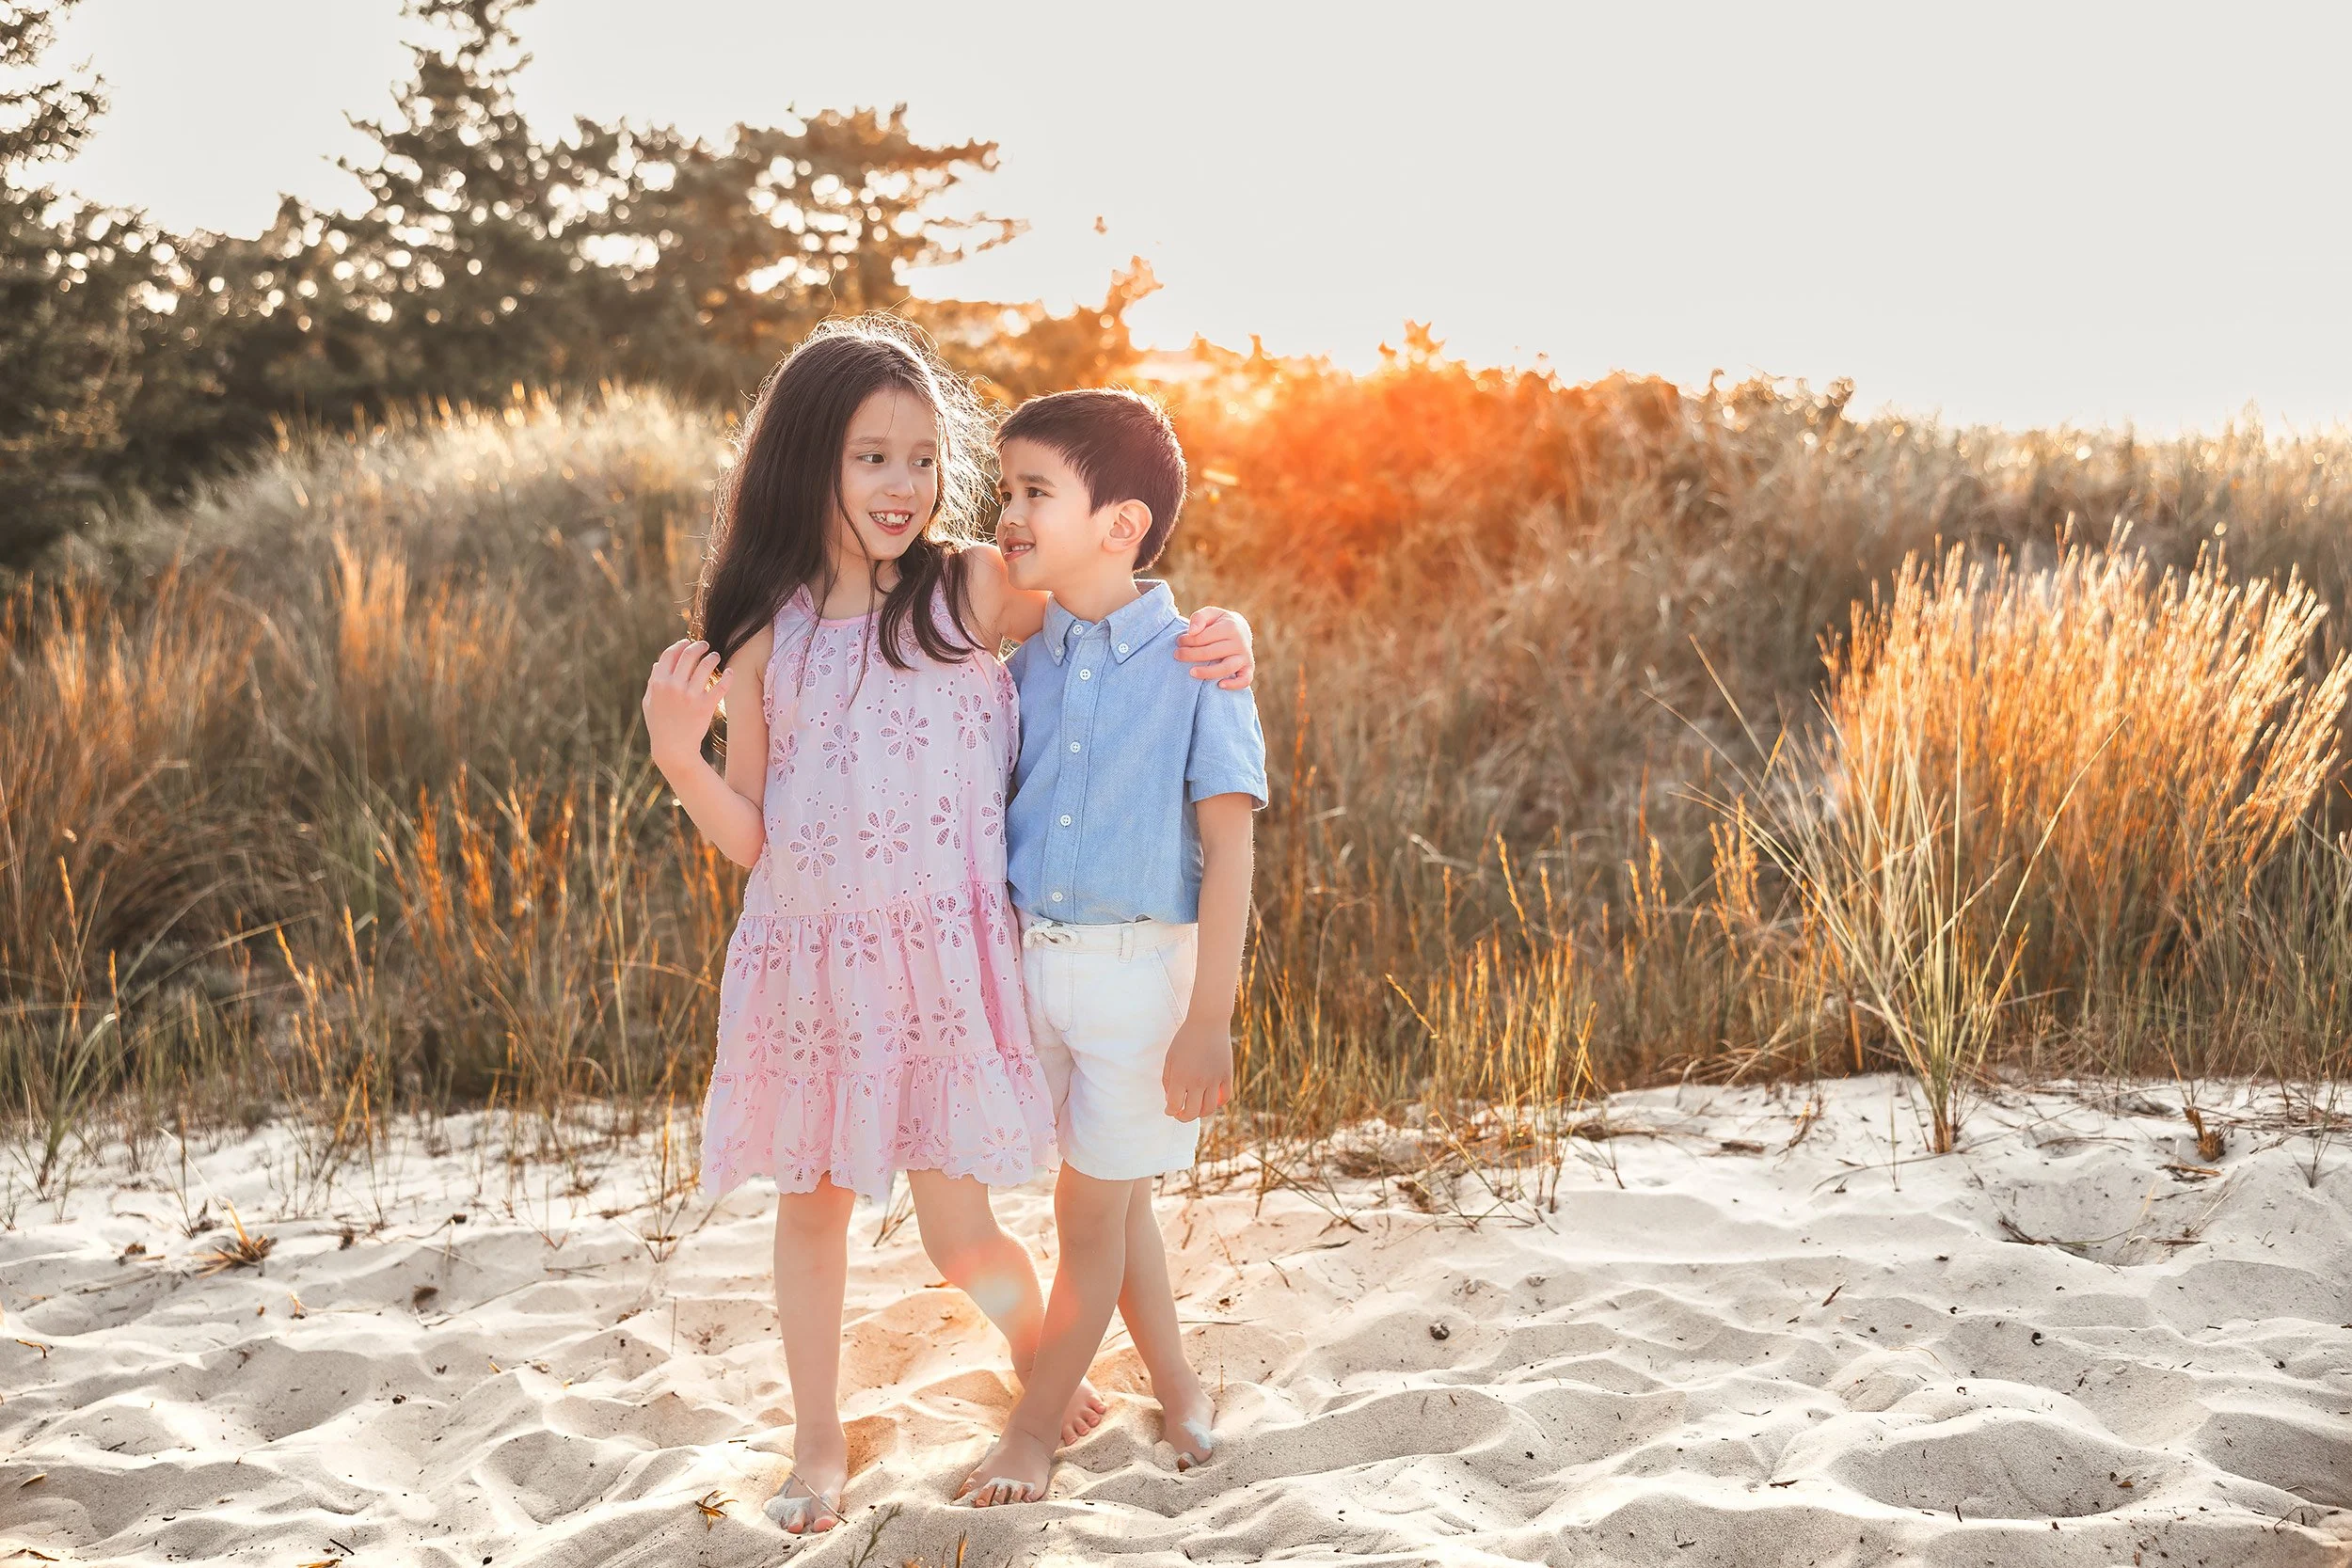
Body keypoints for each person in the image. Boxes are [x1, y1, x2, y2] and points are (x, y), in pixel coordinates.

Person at [639, 321, 1255, 1533]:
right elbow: (754, 832)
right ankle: (819, 1442)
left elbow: (1111, 591)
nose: (903, 485)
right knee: (811, 1204)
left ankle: (1036, 1350)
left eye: (923, 459)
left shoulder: (970, 586)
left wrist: (1222, 629)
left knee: (958, 1227)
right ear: (807, 458)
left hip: (948, 961)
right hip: (816, 959)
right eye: (872, 457)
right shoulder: (762, 626)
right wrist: (678, 757)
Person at [958, 388, 1267, 1506]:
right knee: (1114, 1195)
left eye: (1035, 491)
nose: (1009, 514)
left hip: (1140, 978)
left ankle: (1033, 1431)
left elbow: (1228, 849)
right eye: (1005, 491)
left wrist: (1209, 1016)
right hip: (1029, 968)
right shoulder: (1025, 654)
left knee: (1086, 1212)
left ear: (1121, 523)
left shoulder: (1199, 662)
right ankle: (1177, 1381)